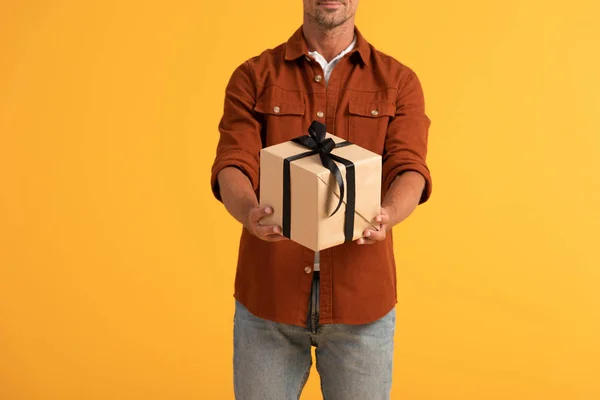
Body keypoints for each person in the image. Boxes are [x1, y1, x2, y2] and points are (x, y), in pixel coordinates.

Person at [210, 0, 432, 398]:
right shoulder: (254, 76)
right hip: (268, 303)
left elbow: (409, 167)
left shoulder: (399, 81)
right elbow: (233, 161)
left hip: (362, 308)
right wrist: (248, 212)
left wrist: (387, 214)